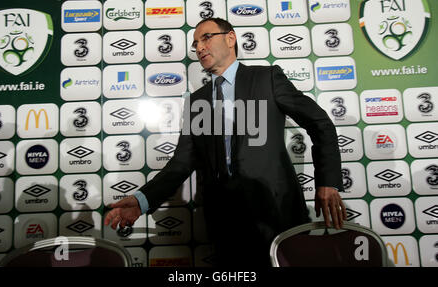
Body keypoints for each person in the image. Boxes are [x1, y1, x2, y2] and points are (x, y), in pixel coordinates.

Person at [104, 17, 347, 266]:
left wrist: (327, 183)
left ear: (230, 38)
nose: (199, 48)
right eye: (195, 43)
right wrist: (142, 200)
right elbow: (181, 164)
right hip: (225, 229)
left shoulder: (266, 78)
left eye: (206, 37)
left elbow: (320, 123)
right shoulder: (197, 101)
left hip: (278, 216)